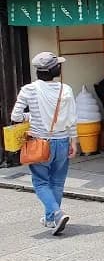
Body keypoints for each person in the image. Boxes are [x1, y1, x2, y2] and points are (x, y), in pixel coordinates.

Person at [11, 52, 78, 235]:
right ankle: (51, 218)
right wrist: (74, 141)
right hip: (63, 141)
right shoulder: (66, 89)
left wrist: (32, 116)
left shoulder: (28, 90)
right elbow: (72, 119)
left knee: (41, 182)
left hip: (40, 143)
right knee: (57, 181)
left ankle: (55, 214)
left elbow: (15, 116)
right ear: (55, 70)